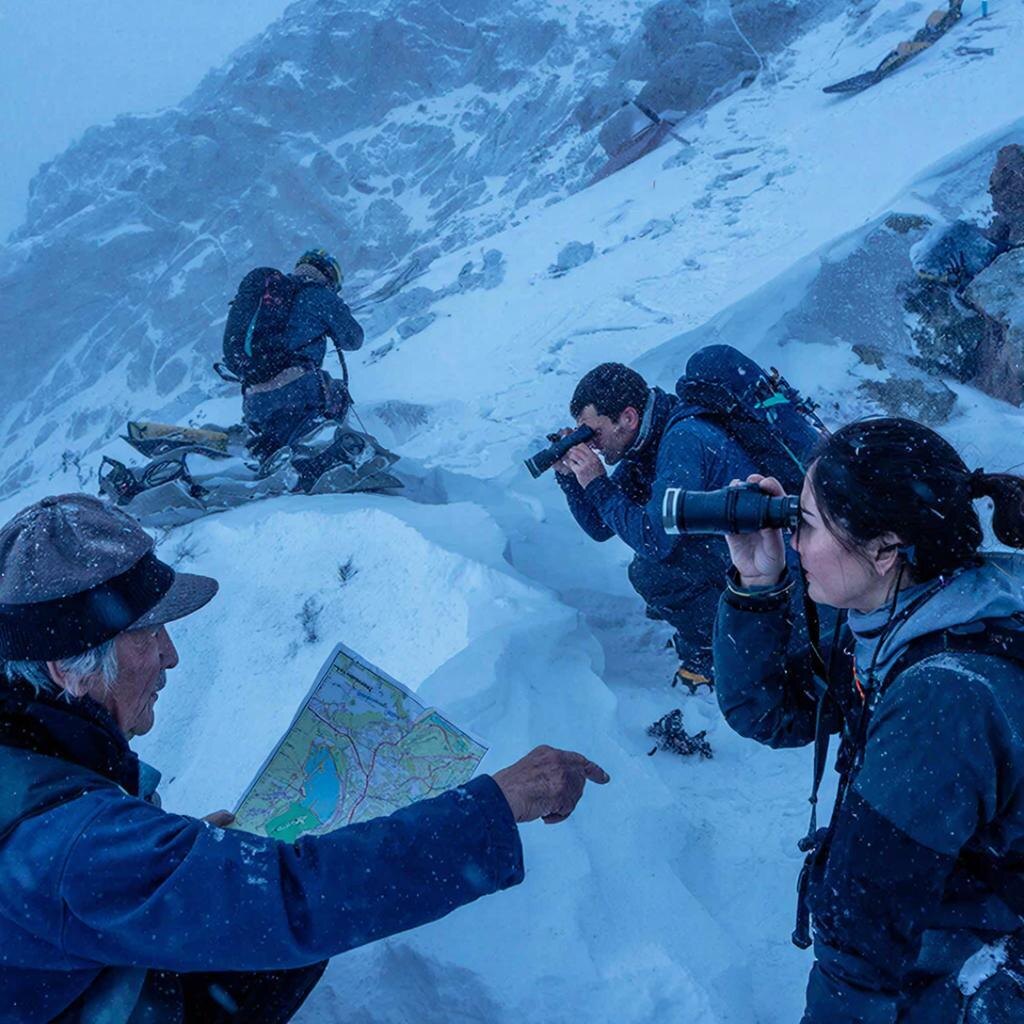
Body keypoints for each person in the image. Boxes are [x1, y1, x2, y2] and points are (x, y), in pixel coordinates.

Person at [0, 494, 609, 1023]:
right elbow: (296, 898)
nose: (170, 656)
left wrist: (167, 865)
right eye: (146, 635)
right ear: (66, 669)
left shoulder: (28, 750)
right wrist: (495, 806)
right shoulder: (69, 847)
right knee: (271, 943)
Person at [714, 417, 1024, 1022]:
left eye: (804, 525)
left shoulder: (942, 697)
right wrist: (758, 581)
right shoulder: (911, 614)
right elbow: (769, 711)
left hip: (968, 978)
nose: (795, 543)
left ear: (884, 549)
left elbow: (863, 942)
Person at [552, 352, 817, 687]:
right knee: (659, 563)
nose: (592, 446)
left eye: (593, 433)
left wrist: (596, 481)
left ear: (628, 418)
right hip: (757, 551)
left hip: (789, 570)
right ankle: (726, 631)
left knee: (652, 572)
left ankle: (728, 651)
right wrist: (571, 478)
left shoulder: (683, 439)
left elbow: (654, 540)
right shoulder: (649, 438)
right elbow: (601, 527)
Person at [225, 249, 365, 462]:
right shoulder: (319, 295)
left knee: (270, 444)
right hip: (298, 390)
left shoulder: (271, 297)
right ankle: (339, 456)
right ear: (329, 276)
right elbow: (353, 339)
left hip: (253, 396)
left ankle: (267, 463)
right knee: (336, 391)